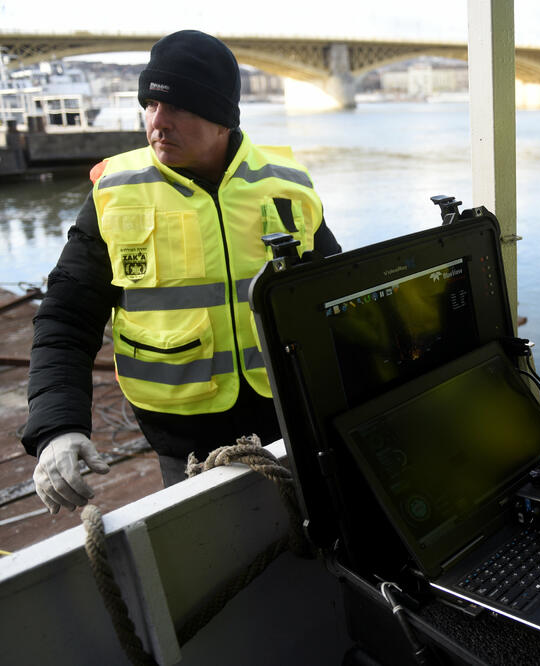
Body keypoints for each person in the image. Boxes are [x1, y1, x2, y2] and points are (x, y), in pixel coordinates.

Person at [22, 30, 342, 514]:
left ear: (221, 119)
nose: (158, 122)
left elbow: (340, 299)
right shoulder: (115, 193)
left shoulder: (287, 185)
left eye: (177, 107)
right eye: (149, 104)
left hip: (295, 425)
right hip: (183, 448)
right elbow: (65, 319)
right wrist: (57, 428)